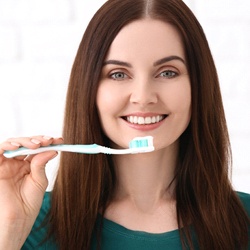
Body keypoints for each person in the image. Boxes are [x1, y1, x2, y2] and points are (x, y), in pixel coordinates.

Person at [0, 0, 249, 249]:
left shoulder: (244, 222)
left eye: (168, 72)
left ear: (198, 85)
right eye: (118, 74)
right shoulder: (30, 222)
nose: (143, 96)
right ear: (89, 90)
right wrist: (9, 230)